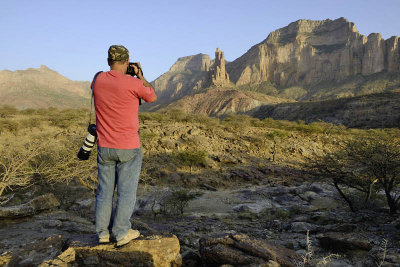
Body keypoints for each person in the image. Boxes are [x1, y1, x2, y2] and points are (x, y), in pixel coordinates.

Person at [93, 45, 157, 247]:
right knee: (126, 193)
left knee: (104, 192)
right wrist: (140, 75)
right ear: (127, 62)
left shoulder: (97, 80)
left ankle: (102, 234)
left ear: (108, 61)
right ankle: (121, 233)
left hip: (104, 147)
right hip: (128, 147)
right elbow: (151, 96)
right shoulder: (133, 83)